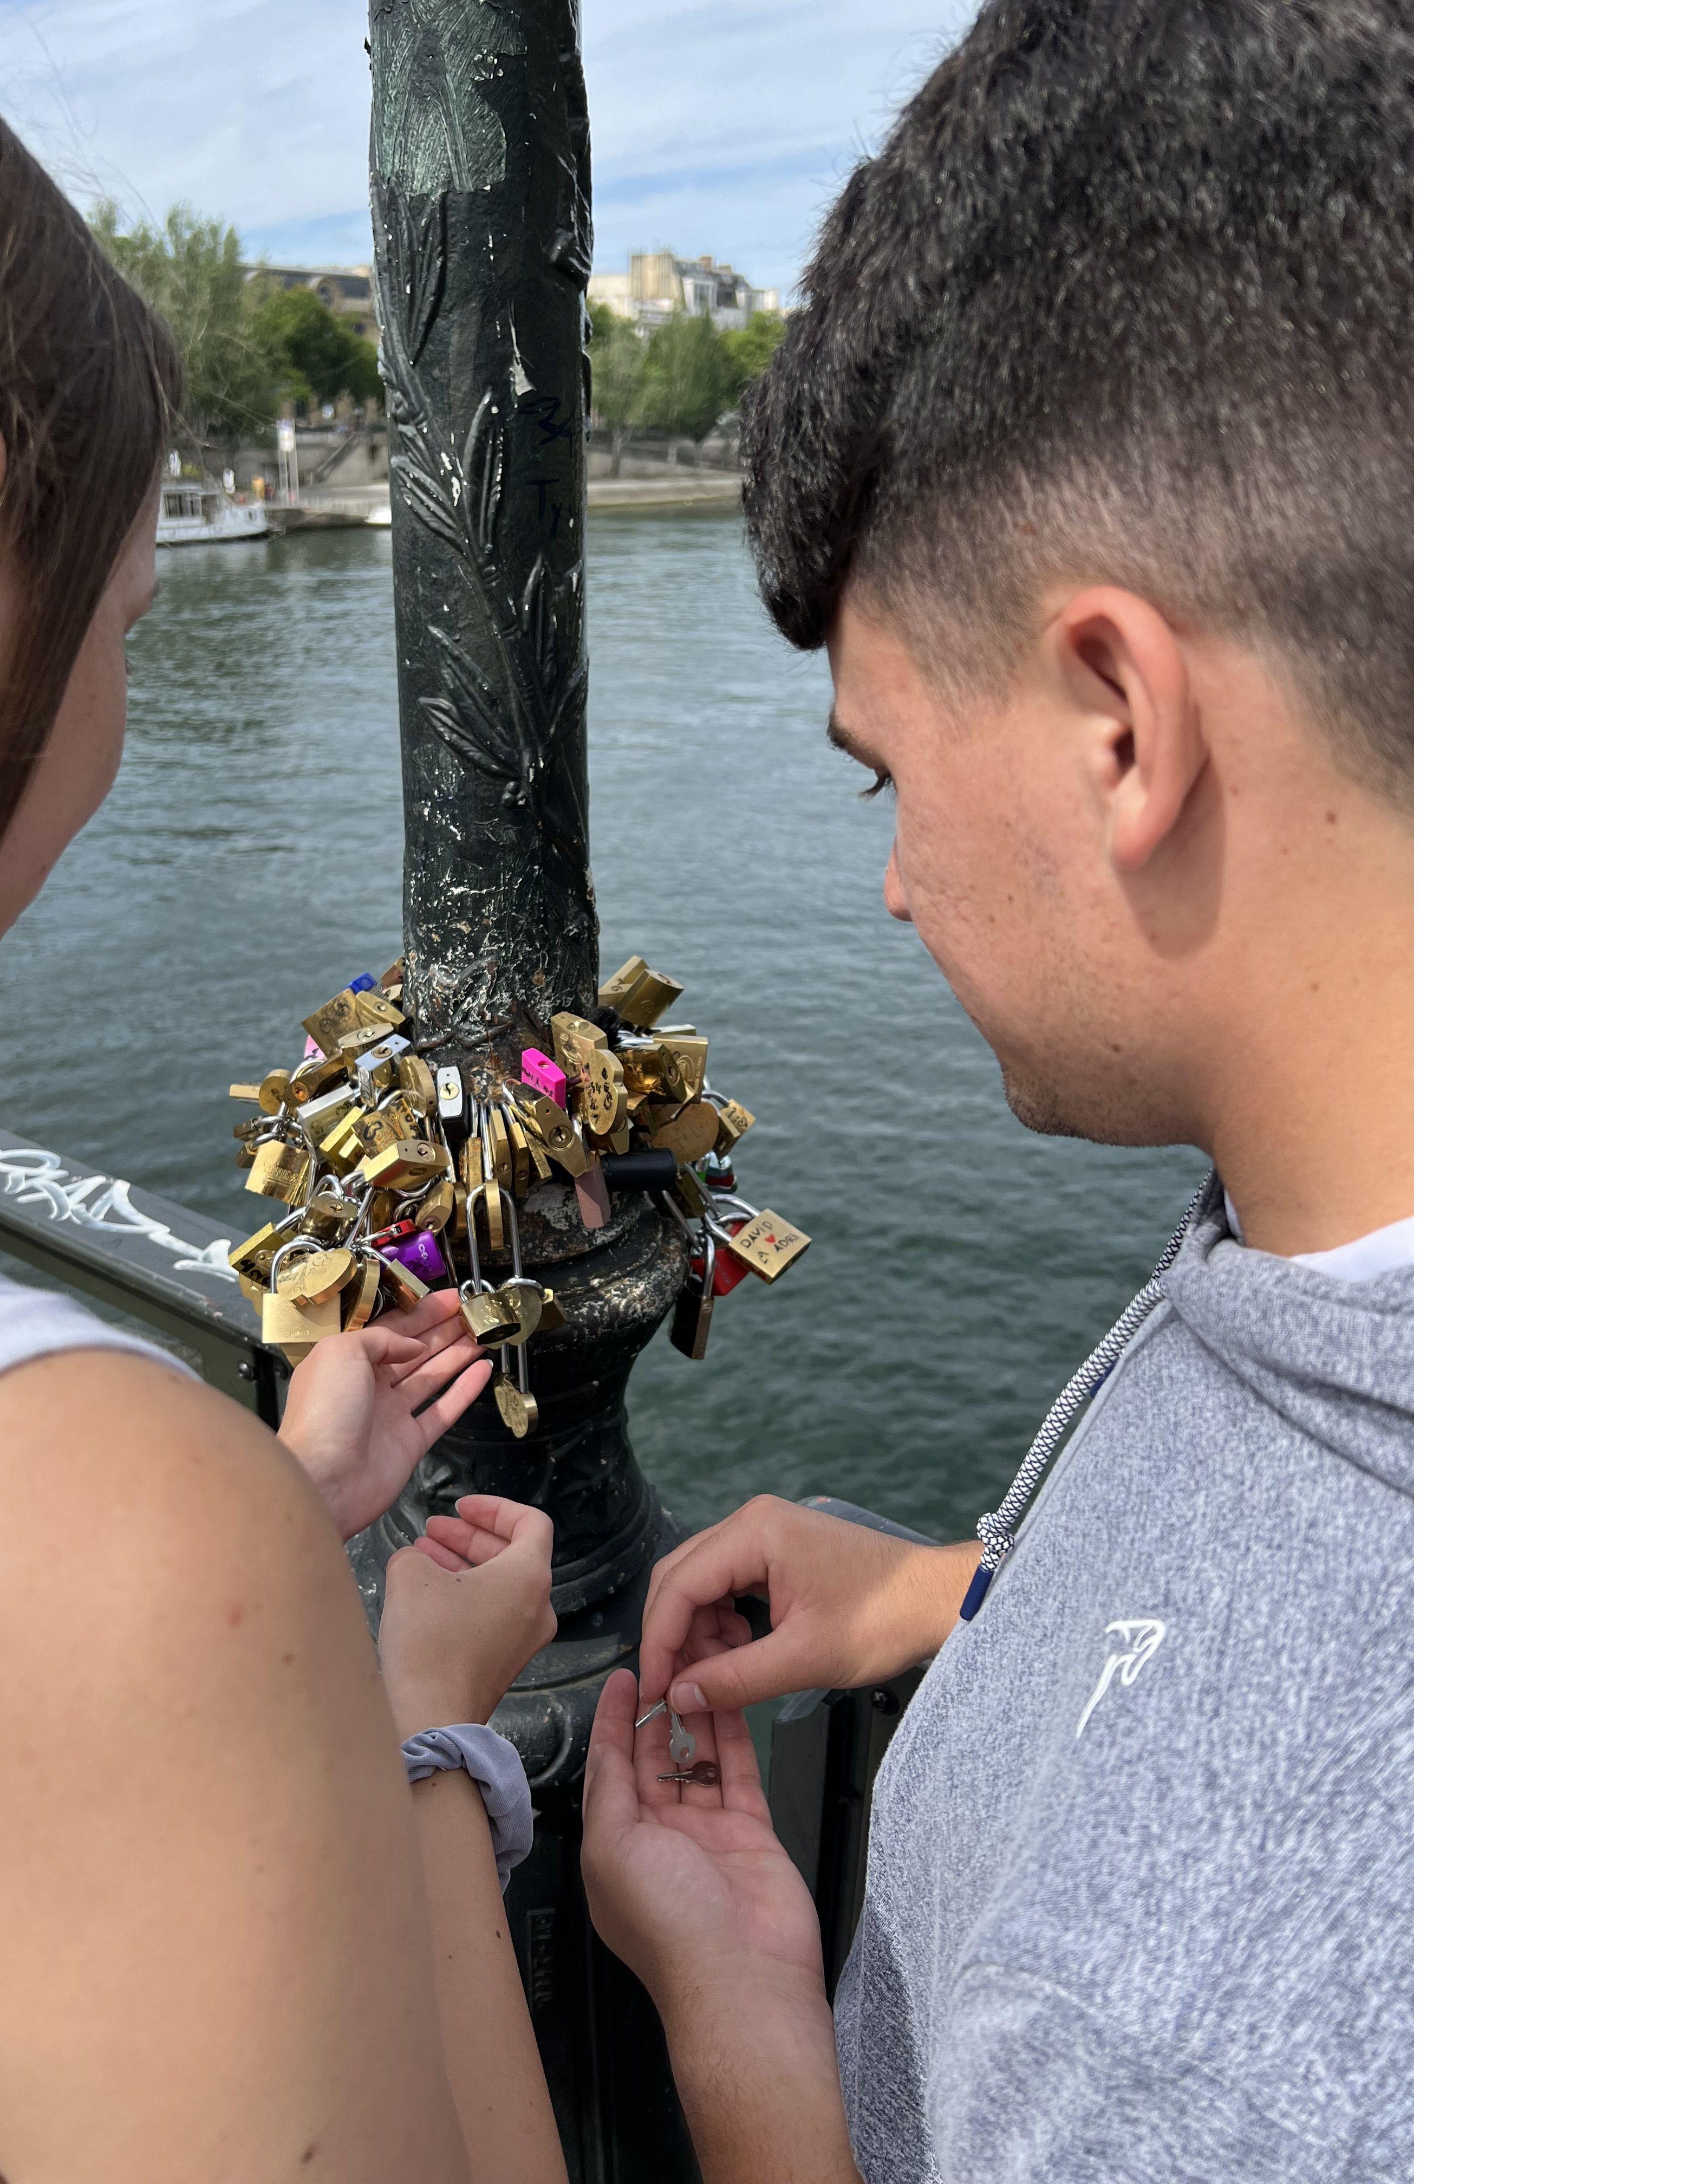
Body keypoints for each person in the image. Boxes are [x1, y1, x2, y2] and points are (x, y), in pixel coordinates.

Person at [580, 3, 1413, 2180]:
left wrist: (747, 2029)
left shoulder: (1185, 2039)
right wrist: (970, 1596)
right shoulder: (1329, 1228)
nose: (886, 887)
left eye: (882, 770)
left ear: (1119, 722)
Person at [0, 7, 566, 2179]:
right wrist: (405, 1732)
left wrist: (274, 1518)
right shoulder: (88, 1557)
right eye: (113, 620)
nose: (110, 730)